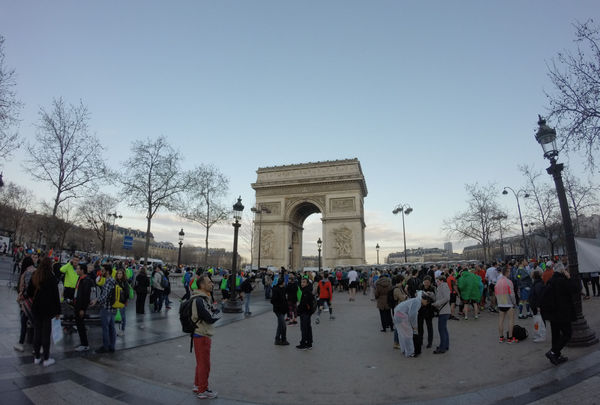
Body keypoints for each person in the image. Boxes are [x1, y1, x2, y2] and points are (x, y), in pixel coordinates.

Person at [190, 274, 221, 399]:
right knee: (205, 364)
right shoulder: (200, 300)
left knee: (200, 363)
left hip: (198, 333)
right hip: (202, 334)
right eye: (209, 282)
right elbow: (209, 318)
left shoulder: (200, 298)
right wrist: (215, 314)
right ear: (202, 285)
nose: (212, 284)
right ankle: (203, 390)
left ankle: (197, 385)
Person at [541, 261, 577, 365]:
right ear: (562, 270)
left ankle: (556, 356)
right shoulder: (562, 280)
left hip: (553, 313)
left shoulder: (551, 280)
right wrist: (569, 277)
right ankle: (553, 352)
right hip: (563, 313)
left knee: (555, 335)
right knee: (567, 334)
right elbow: (575, 289)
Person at [27, 257, 61, 367]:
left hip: (36, 308)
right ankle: (46, 358)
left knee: (37, 333)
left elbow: (29, 292)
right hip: (48, 309)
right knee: (46, 334)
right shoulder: (52, 277)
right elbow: (56, 296)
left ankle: (36, 357)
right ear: (50, 265)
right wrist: (58, 311)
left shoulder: (36, 275)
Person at [393, 291, 434, 357]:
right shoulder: (417, 302)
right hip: (402, 316)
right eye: (427, 302)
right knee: (408, 335)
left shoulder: (416, 299)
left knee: (402, 334)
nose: (426, 304)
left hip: (397, 314)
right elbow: (412, 315)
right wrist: (414, 326)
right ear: (425, 300)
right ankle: (410, 353)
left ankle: (404, 350)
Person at [91, 264, 117, 353]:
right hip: (113, 308)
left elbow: (104, 296)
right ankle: (112, 346)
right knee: (112, 328)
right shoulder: (113, 280)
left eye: (103, 270)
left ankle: (105, 346)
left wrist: (96, 300)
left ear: (107, 271)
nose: (101, 272)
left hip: (106, 308)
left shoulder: (108, 281)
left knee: (105, 329)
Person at [14, 256, 37, 352]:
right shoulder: (36, 270)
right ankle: (35, 345)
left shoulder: (27, 272)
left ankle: (21, 343)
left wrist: (21, 295)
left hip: (28, 301)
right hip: (35, 301)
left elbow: (27, 287)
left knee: (24, 322)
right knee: (34, 323)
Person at [73, 263, 95, 351]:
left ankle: (85, 344)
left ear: (82, 270)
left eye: (78, 268)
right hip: (76, 304)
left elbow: (85, 296)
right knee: (79, 325)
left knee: (81, 326)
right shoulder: (80, 278)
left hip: (80, 307)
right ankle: (83, 343)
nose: (76, 270)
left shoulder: (86, 280)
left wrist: (82, 308)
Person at [495, 266, 517, 343]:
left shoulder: (498, 282)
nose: (510, 273)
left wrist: (498, 302)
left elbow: (496, 293)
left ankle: (501, 337)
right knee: (511, 320)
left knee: (501, 320)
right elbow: (512, 294)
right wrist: (514, 303)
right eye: (509, 272)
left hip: (501, 303)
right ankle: (510, 338)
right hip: (508, 303)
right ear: (506, 272)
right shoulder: (509, 282)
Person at [432, 274, 450, 354]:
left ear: (442, 281)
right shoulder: (441, 287)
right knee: (444, 329)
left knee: (441, 330)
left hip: (444, 311)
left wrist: (437, 303)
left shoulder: (443, 286)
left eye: (438, 281)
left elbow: (446, 298)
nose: (437, 282)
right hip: (444, 311)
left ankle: (442, 347)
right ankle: (445, 345)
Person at [417, 276, 436, 351]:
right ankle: (420, 341)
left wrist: (429, 298)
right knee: (420, 327)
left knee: (429, 327)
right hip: (420, 310)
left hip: (429, 310)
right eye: (425, 282)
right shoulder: (420, 287)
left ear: (430, 282)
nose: (426, 283)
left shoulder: (432, 289)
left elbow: (434, 299)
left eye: (428, 282)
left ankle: (430, 342)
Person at [297, 276, 315, 350]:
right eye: (301, 282)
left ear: (307, 283)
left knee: (304, 328)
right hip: (306, 313)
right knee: (307, 328)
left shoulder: (306, 292)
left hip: (305, 313)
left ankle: (304, 344)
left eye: (304, 282)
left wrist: (299, 310)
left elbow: (305, 304)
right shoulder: (305, 290)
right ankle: (309, 343)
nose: (302, 283)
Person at [271, 277, 289, 345]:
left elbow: (285, 299)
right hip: (278, 310)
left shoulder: (284, 289)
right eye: (284, 282)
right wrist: (278, 306)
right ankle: (283, 339)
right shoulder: (275, 290)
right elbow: (273, 300)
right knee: (283, 325)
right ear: (282, 283)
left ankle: (277, 339)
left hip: (283, 310)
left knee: (280, 325)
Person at [114, 268, 130, 337]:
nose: (119, 275)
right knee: (114, 316)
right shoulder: (115, 281)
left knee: (123, 317)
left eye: (120, 273)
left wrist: (126, 301)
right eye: (118, 273)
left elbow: (127, 293)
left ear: (123, 275)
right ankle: (114, 330)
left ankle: (122, 330)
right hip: (115, 301)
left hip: (122, 302)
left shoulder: (125, 282)